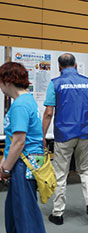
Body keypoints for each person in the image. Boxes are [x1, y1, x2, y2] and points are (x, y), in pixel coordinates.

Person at [42, 53, 88, 225]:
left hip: (64, 135)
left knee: (61, 173)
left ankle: (58, 214)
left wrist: (42, 136)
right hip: (86, 133)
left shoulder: (55, 84)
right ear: (75, 65)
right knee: (86, 170)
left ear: (59, 67)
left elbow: (49, 113)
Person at [0, 62, 46, 233]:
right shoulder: (27, 100)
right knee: (14, 209)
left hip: (23, 163)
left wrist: (5, 169)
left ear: (7, 81)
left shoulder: (20, 105)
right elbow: (14, 140)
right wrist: (4, 163)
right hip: (27, 161)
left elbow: (19, 142)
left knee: (25, 211)